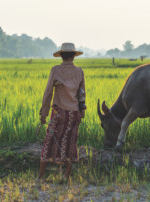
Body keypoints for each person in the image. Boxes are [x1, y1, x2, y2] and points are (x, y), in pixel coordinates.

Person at [39, 42, 85, 181]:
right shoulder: (79, 71)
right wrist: (82, 112)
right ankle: (66, 176)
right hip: (74, 113)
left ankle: (40, 177)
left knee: (49, 142)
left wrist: (44, 113)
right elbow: (81, 94)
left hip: (59, 113)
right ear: (73, 56)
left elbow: (48, 93)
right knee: (71, 143)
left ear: (61, 56)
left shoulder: (56, 70)